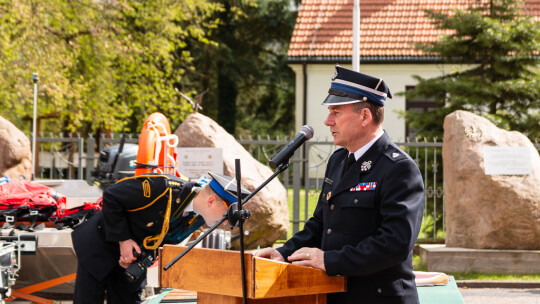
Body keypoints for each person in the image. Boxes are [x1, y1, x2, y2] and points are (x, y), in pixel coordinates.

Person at [255, 65, 425, 304]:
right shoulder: (338, 160)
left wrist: (330, 260)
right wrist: (284, 253)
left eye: (335, 112)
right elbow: (320, 224)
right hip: (334, 293)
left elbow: (395, 243)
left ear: (365, 116)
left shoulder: (398, 168)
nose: (327, 121)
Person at [72, 172, 249, 304]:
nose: (226, 223)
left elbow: (164, 235)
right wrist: (123, 240)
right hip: (101, 247)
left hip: (134, 259)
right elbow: (112, 196)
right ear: (210, 201)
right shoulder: (162, 188)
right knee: (88, 299)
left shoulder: (199, 216)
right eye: (226, 216)